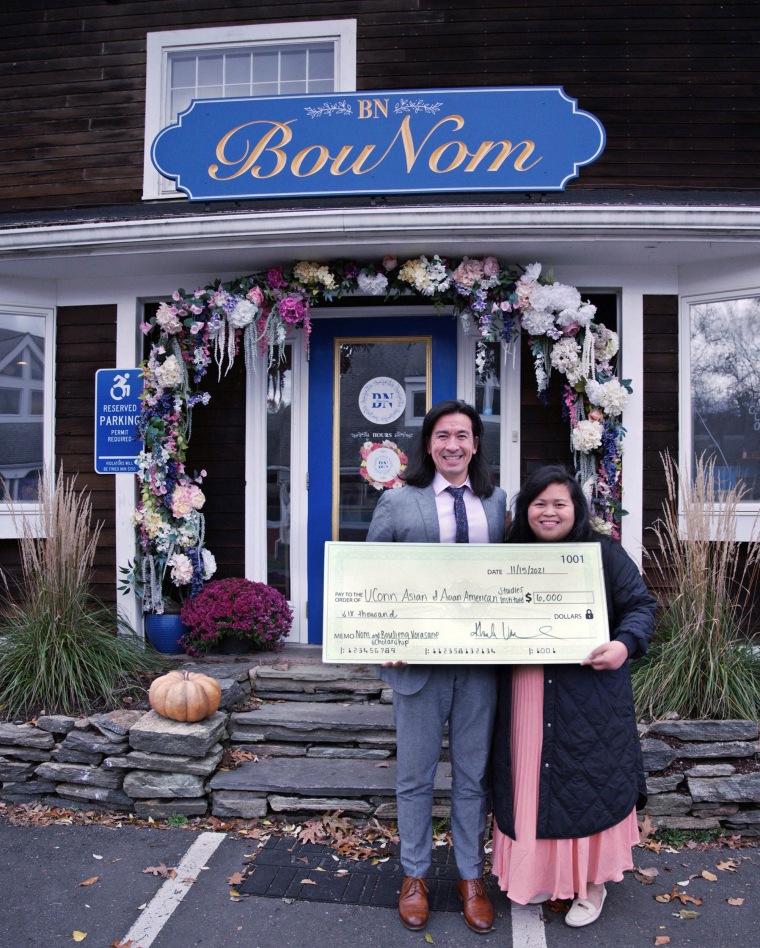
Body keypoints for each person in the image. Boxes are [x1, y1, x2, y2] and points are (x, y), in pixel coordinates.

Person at [490, 464, 656, 927]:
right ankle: (534, 876)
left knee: (587, 781)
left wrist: (624, 644)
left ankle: (592, 883)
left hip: (588, 692)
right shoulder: (507, 556)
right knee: (528, 781)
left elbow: (641, 605)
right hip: (524, 687)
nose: (548, 512)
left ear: (575, 509)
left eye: (559, 503)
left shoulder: (601, 552)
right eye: (539, 503)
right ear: (526, 510)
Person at [367, 400, 507, 934]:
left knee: (473, 776)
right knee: (415, 777)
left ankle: (472, 878)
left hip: (478, 667)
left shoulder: (497, 504)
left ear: (475, 444)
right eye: (443, 435)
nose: (453, 444)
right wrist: (381, 635)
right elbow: (371, 578)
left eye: (463, 435)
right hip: (419, 666)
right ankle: (416, 876)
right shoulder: (399, 502)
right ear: (428, 444)